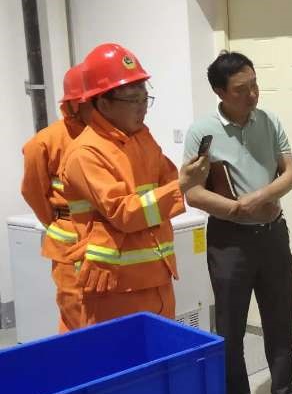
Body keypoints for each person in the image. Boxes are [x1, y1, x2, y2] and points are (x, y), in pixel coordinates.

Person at [183, 50, 292, 394]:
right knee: (231, 328)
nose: (253, 94)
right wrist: (236, 209)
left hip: (273, 234)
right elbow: (192, 191)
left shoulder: (269, 120)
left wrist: (260, 198)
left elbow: (290, 174)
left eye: (255, 84)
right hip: (229, 242)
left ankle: (284, 391)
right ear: (220, 92)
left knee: (280, 317)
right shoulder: (202, 132)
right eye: (242, 89)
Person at [60, 43, 208, 328]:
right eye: (133, 100)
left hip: (157, 276)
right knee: (120, 355)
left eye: (145, 99)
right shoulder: (86, 153)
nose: (143, 108)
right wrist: (179, 185)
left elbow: (167, 180)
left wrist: (182, 180)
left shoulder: (142, 138)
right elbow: (124, 213)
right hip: (115, 287)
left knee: (160, 352)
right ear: (104, 104)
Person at [20, 65, 93, 332]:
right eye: (89, 101)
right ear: (72, 104)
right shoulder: (45, 143)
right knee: (77, 315)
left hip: (106, 240)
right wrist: (58, 221)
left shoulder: (111, 135)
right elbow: (32, 191)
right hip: (69, 244)